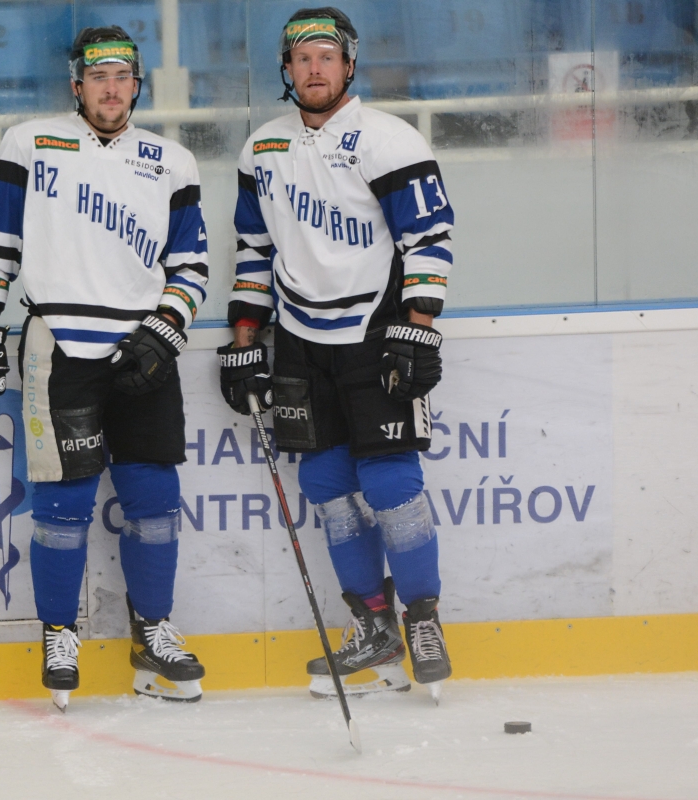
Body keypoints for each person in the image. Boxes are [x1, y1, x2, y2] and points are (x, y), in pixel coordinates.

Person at [0, 26, 210, 709]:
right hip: (58, 344)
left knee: (153, 500)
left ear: (137, 84)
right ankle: (59, 633)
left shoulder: (172, 161)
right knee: (63, 506)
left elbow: (190, 266)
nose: (111, 88)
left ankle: (152, 631)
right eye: (98, 76)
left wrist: (164, 331)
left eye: (122, 76)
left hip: (144, 348)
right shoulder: (31, 143)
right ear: (77, 85)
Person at [217, 7, 454, 701]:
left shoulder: (389, 139)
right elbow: (254, 249)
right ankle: (372, 625)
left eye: (326, 56)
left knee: (391, 485)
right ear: (286, 69)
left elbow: (429, 238)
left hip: (376, 335)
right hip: (298, 342)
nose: (314, 69)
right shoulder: (261, 149)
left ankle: (423, 620)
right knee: (326, 487)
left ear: (349, 64)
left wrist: (419, 325)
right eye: (302, 58)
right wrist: (244, 341)